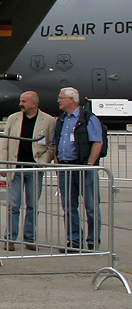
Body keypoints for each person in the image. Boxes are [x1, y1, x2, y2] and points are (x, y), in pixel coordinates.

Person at [0, 92, 55, 250]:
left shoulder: (49, 121)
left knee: (32, 205)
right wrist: (3, 166)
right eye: (20, 100)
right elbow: (5, 143)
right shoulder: (13, 119)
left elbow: (51, 145)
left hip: (34, 169)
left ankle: (30, 238)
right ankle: (10, 238)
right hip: (16, 168)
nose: (20, 104)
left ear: (34, 103)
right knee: (13, 204)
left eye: (24, 101)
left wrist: (43, 161)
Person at [52, 87, 104, 251]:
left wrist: (89, 164)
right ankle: (74, 241)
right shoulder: (61, 120)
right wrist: (57, 162)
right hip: (65, 168)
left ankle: (93, 241)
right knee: (68, 207)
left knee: (91, 206)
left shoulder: (89, 118)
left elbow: (97, 141)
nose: (58, 101)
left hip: (82, 168)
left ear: (71, 100)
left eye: (61, 98)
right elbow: (56, 141)